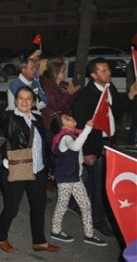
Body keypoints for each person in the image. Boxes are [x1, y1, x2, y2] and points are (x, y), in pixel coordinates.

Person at [0, 80, 59, 253]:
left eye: (28, 98)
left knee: (39, 206)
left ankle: (39, 241)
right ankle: (1, 237)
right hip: (15, 168)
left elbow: (44, 146)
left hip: (37, 170)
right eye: (21, 98)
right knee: (11, 208)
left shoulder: (39, 119)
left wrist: (49, 168)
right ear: (16, 100)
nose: (25, 101)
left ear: (34, 101)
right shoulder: (11, 117)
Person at [72, 58, 137, 237]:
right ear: (93, 75)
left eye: (108, 69)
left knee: (95, 179)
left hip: (109, 141)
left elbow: (116, 110)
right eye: (102, 71)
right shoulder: (86, 96)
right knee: (102, 184)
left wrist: (131, 94)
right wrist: (86, 152)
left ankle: (72, 201)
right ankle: (97, 221)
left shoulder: (110, 88)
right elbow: (80, 126)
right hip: (95, 144)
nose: (107, 73)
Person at [49, 113, 107, 247]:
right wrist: (87, 129)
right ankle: (55, 230)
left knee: (85, 205)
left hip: (75, 177)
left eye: (69, 116)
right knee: (62, 205)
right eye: (67, 118)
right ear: (63, 126)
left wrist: (89, 128)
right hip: (65, 179)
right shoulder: (65, 138)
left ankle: (89, 234)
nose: (71, 117)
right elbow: (75, 147)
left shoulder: (73, 135)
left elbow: (79, 147)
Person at [41, 59, 80, 141]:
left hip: (62, 121)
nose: (64, 73)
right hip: (51, 123)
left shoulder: (62, 85)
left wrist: (70, 94)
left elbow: (68, 104)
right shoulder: (48, 87)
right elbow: (56, 106)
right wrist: (68, 94)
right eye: (62, 71)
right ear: (55, 73)